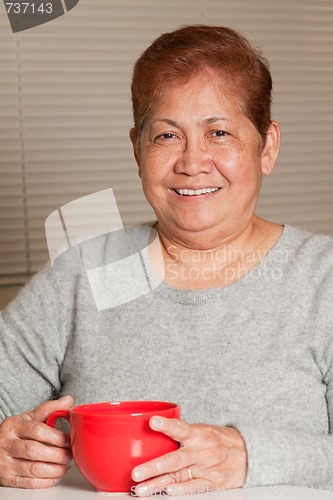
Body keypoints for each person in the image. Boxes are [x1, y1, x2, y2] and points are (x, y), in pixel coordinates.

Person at [0, 24, 333, 495]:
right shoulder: (80, 276)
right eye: (166, 136)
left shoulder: (323, 280)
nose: (192, 162)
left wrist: (250, 455)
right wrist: (6, 445)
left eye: (219, 132)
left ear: (268, 146)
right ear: (137, 149)